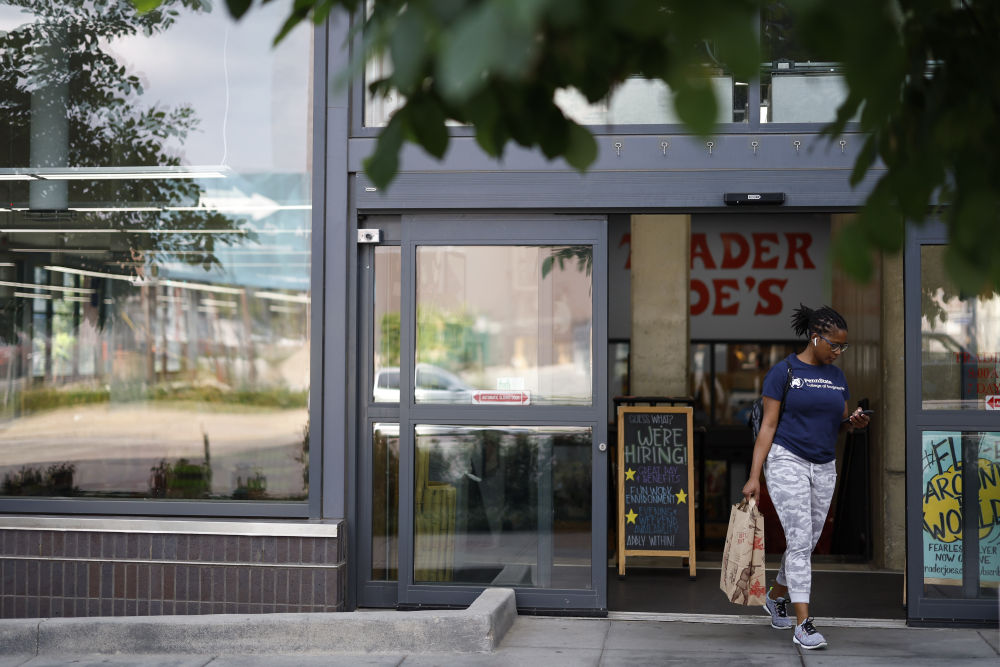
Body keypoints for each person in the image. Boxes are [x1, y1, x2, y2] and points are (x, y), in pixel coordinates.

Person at [741, 304, 870, 650]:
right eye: (834, 345)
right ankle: (804, 625)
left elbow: (838, 422)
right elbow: (768, 427)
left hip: (824, 465)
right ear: (815, 338)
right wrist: (755, 476)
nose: (838, 352)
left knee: (807, 541)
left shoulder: (837, 377)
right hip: (787, 460)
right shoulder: (783, 371)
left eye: (843, 346)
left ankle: (775, 597)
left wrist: (853, 422)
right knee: (799, 541)